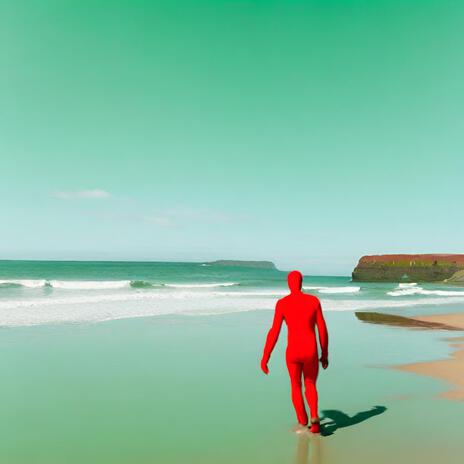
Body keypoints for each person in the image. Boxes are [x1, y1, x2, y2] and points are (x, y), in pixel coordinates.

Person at [260, 270, 329, 434]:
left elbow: (274, 332)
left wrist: (265, 356)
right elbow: (322, 329)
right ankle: (314, 419)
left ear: (288, 283)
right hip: (310, 349)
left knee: (295, 386)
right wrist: (324, 353)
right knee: (310, 384)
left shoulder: (282, 304)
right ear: (301, 282)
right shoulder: (313, 301)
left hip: (292, 351)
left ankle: (302, 422)